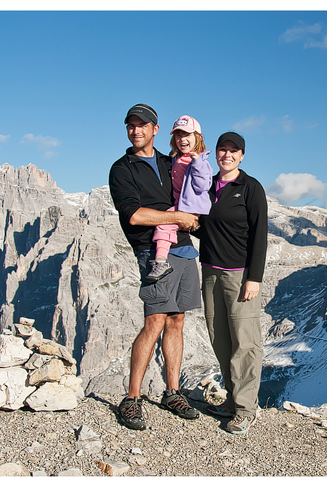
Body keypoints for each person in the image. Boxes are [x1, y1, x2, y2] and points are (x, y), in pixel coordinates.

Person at [108, 103, 202, 430]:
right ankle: (132, 397)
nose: (136, 130)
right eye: (131, 126)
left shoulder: (169, 161)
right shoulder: (123, 168)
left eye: (142, 125)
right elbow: (134, 215)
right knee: (155, 321)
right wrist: (177, 217)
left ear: (155, 129)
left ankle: (171, 392)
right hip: (152, 251)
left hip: (185, 249)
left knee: (177, 320)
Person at [196, 132, 268, 435]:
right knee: (220, 337)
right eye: (222, 150)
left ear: (242, 156)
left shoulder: (250, 188)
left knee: (245, 342)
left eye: (233, 151)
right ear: (215, 154)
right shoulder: (208, 185)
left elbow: (259, 234)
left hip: (239, 275)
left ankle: (245, 409)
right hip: (210, 272)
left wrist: (254, 278)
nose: (227, 155)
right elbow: (204, 227)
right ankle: (231, 399)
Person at [147, 115, 212, 282]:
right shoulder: (177, 157)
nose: (182, 139)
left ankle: (161, 261)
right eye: (178, 135)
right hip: (180, 204)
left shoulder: (200, 161)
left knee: (164, 224)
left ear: (198, 137)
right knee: (167, 223)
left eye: (187, 135)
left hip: (190, 207)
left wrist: (197, 163)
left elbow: (203, 185)